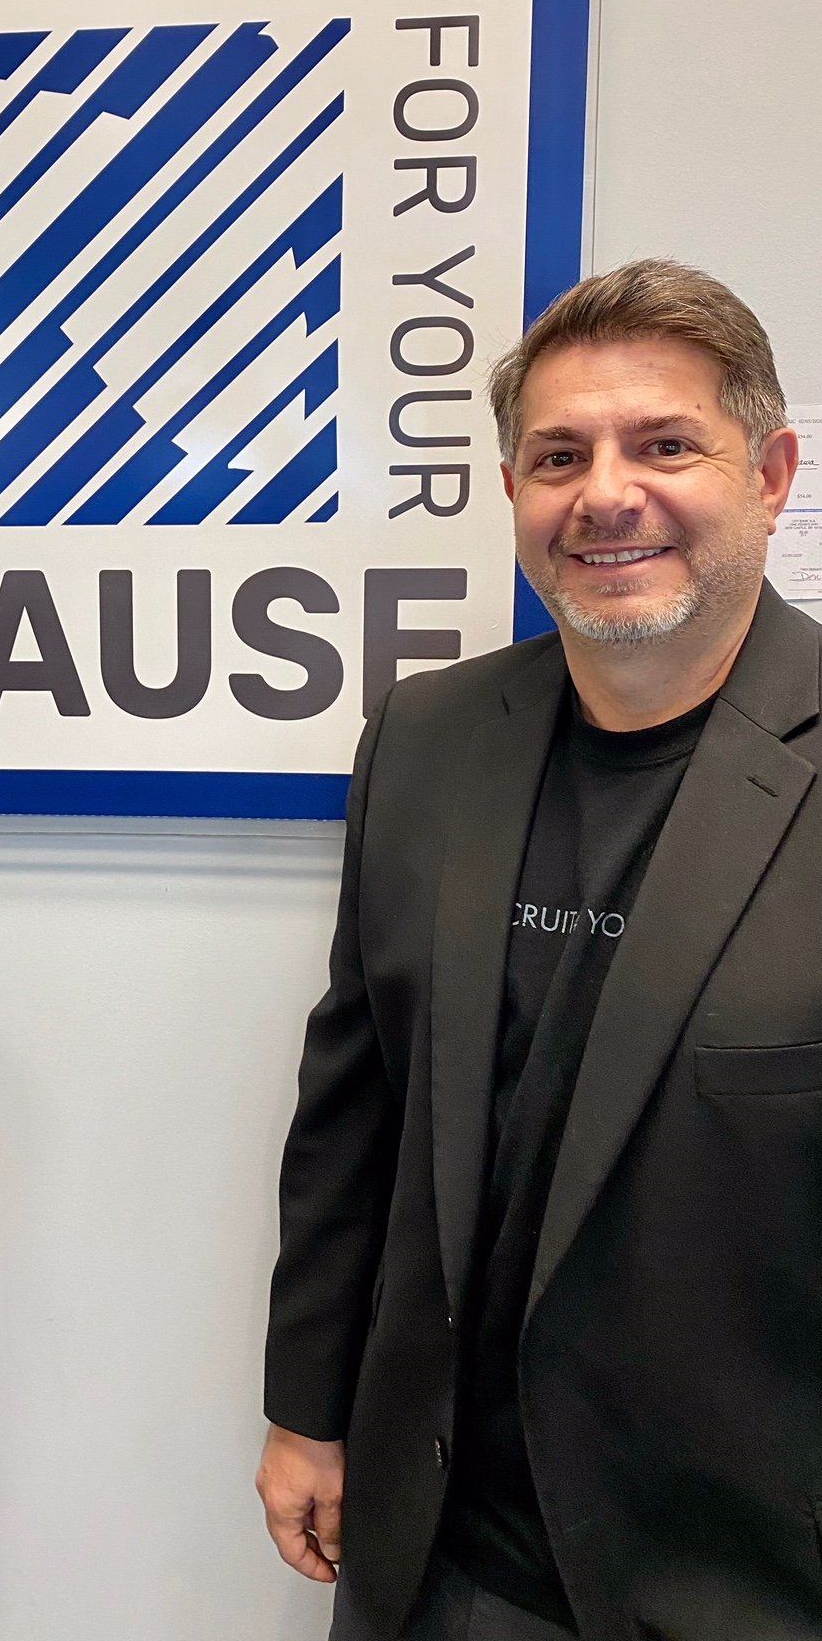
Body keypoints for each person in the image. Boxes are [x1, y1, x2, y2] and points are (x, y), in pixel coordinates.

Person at [256, 260, 819, 1640]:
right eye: (558, 455)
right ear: (513, 490)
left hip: (747, 1565)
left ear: (772, 471)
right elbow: (354, 1116)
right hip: (439, 1547)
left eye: (665, 443)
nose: (605, 492)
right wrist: (306, 1413)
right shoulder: (426, 739)